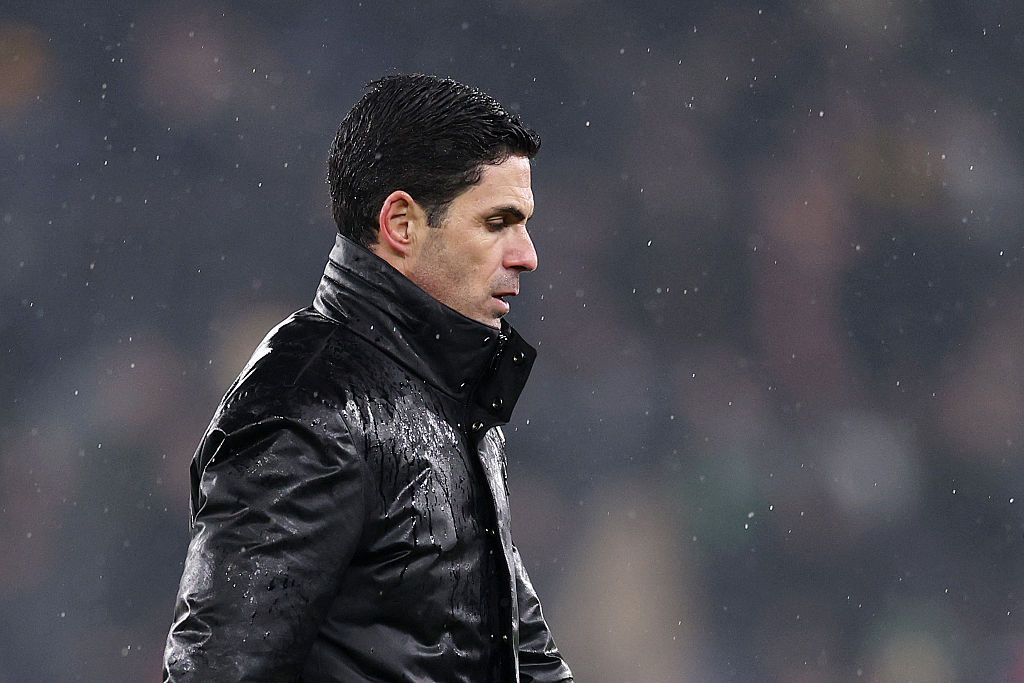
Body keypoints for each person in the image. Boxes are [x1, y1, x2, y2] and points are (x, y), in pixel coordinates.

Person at [162, 74, 574, 682]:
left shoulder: (452, 394)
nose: (527, 255)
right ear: (401, 224)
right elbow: (221, 671)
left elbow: (520, 653)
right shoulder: (308, 407)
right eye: (497, 223)